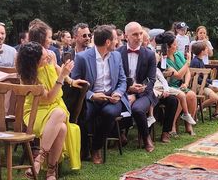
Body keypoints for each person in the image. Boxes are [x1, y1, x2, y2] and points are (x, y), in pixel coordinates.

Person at [16, 42, 81, 179]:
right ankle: (49, 169)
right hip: (35, 112)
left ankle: (41, 161)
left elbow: (57, 68)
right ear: (35, 61)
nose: (48, 58)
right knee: (60, 117)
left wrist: (70, 80)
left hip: (54, 109)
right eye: (44, 57)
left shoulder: (49, 60)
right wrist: (62, 77)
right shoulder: (28, 77)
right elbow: (49, 98)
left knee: (61, 124)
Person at [70, 25, 129, 164]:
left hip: (111, 99)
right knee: (82, 115)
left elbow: (123, 80)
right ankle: (84, 148)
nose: (117, 42)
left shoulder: (116, 55)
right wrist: (91, 95)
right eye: (115, 39)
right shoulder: (82, 57)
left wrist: (118, 93)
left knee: (109, 114)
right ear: (108, 42)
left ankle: (96, 148)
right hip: (90, 98)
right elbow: (75, 84)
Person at [118, 21, 157, 152]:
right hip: (123, 91)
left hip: (144, 93)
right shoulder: (117, 53)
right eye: (135, 34)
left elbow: (151, 80)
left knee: (138, 109)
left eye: (140, 34)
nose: (139, 37)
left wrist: (136, 93)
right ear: (126, 36)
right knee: (115, 106)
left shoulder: (150, 54)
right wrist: (128, 90)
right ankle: (120, 133)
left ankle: (146, 138)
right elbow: (116, 78)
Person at [162, 31, 198, 134]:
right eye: (174, 44)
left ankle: (188, 124)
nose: (176, 46)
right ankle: (172, 125)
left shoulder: (178, 54)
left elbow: (187, 72)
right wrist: (188, 62)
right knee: (179, 97)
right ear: (168, 47)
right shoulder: (164, 59)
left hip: (181, 85)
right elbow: (178, 75)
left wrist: (186, 83)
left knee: (191, 95)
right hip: (169, 86)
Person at [190, 42, 218, 119]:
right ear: (202, 51)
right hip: (198, 86)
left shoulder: (200, 60)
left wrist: (214, 82)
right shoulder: (195, 62)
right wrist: (209, 85)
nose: (208, 50)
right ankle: (196, 111)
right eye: (206, 49)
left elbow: (204, 78)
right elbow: (197, 79)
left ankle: (216, 113)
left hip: (204, 84)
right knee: (214, 98)